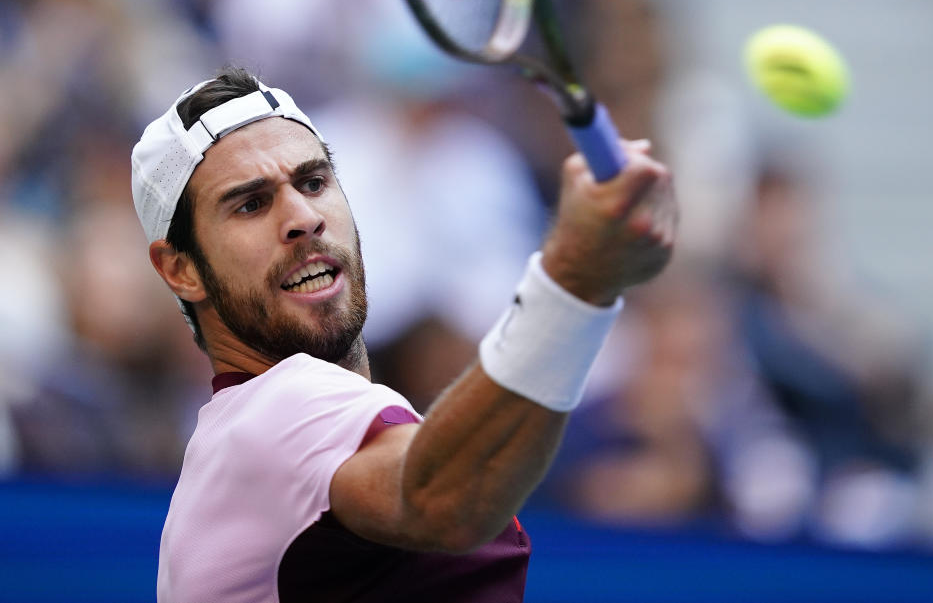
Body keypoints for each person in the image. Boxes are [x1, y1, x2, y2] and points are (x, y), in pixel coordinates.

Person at [132, 67, 677, 603]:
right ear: (182, 270)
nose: (303, 217)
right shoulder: (274, 410)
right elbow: (447, 496)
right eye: (250, 203)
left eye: (314, 182)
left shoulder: (245, 442)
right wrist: (576, 277)